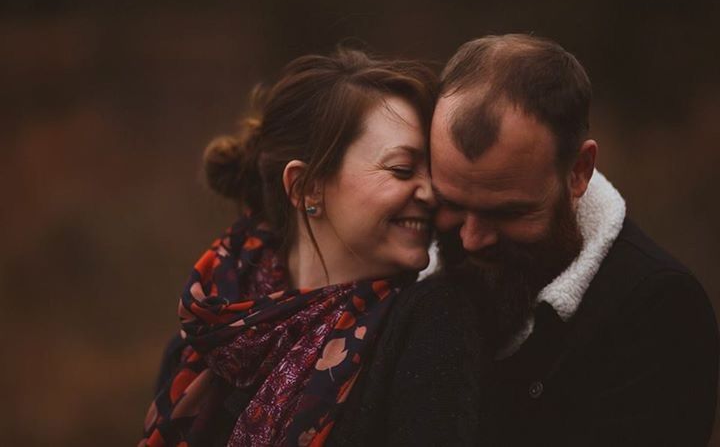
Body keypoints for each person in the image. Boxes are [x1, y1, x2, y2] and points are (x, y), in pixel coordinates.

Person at [422, 34, 718, 445]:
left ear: (578, 171)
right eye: (450, 202)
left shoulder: (656, 312)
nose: (471, 239)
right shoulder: (402, 267)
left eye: (507, 212)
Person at [139, 48, 438, 446]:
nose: (432, 193)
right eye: (402, 169)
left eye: (434, 171)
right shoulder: (202, 347)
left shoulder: (427, 334)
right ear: (306, 187)